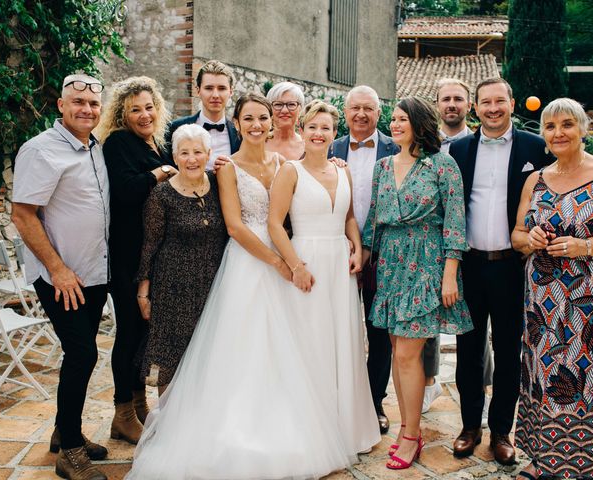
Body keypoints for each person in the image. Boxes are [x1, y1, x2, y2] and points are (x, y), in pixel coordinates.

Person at [126, 94, 352, 480]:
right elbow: (235, 227)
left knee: (283, 346)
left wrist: (334, 162)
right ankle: (231, 428)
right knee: (241, 347)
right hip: (249, 263)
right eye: (249, 118)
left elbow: (299, 196)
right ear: (237, 123)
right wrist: (278, 263)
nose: (258, 125)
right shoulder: (227, 168)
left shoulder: (284, 164)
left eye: (263, 118)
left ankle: (282, 421)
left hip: (284, 256)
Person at [511, 98, 593, 480]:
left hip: (589, 302)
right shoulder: (536, 179)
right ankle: (544, 457)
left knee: (589, 375)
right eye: (550, 127)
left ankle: (591, 459)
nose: (558, 133)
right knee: (542, 374)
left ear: (583, 128)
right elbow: (516, 235)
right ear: (543, 134)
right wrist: (532, 239)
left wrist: (584, 246)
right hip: (542, 302)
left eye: (567, 125)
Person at [362, 96, 472, 470]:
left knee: (409, 355)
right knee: (397, 351)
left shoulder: (443, 165)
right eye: (392, 119)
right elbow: (374, 219)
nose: (394, 125)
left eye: (401, 119)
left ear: (419, 123)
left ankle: (411, 434)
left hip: (426, 262)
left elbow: (455, 222)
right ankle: (408, 427)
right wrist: (361, 257)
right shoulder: (382, 166)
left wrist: (450, 273)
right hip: (390, 264)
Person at [449, 78, 553, 465]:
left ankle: (501, 431)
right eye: (485, 103)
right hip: (470, 264)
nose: (493, 109)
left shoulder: (534, 147)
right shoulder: (459, 149)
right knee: (468, 350)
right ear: (475, 108)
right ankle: (469, 427)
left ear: (512, 103)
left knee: (509, 351)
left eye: (500, 101)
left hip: (514, 266)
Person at [268, 99, 381, 456]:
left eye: (326, 128)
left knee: (342, 340)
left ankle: (345, 426)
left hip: (340, 265)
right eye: (313, 127)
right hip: (308, 262)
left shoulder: (341, 170)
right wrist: (296, 266)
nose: (319, 133)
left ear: (335, 134)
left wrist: (357, 249)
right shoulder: (290, 171)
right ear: (302, 130)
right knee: (311, 340)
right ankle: (310, 428)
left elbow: (348, 217)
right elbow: (274, 223)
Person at [12, 74, 110, 480]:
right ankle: (69, 452)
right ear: (60, 105)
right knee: (84, 352)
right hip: (62, 276)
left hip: (93, 270)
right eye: (78, 102)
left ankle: (62, 430)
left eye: (93, 103)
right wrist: (57, 270)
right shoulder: (40, 150)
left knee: (80, 354)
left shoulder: (93, 147)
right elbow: (22, 214)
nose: (86, 109)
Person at [97, 76, 177, 445]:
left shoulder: (157, 143)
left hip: (153, 253)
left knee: (144, 334)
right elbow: (126, 191)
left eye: (149, 107)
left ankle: (139, 402)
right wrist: (158, 175)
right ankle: (122, 412)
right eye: (134, 109)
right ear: (122, 113)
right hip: (128, 253)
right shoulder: (117, 143)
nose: (144, 115)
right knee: (129, 332)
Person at [135, 124, 228, 397]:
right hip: (173, 288)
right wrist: (144, 293)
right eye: (184, 153)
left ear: (208, 153)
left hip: (214, 284)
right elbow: (150, 245)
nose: (191, 159)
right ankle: (168, 423)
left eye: (198, 152)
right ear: (174, 157)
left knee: (209, 352)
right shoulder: (162, 195)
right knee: (171, 355)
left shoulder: (219, 185)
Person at [329, 85, 399, 434]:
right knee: (336, 329)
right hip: (334, 252)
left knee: (379, 331)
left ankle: (373, 403)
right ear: (345, 112)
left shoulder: (395, 149)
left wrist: (368, 246)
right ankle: (336, 402)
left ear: (378, 113)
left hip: (381, 255)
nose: (360, 114)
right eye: (354, 108)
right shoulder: (329, 147)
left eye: (368, 108)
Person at [431, 78, 495, 422]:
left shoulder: (472, 144)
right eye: (446, 99)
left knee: (476, 331)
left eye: (458, 99)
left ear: (468, 105)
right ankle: (429, 381)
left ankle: (482, 398)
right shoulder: (428, 142)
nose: (451, 104)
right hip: (429, 244)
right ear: (437, 104)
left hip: (469, 246)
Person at [166, 60, 240, 170]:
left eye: (222, 88)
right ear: (198, 90)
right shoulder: (174, 128)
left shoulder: (240, 134)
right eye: (209, 88)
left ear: (231, 92)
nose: (215, 95)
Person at [265, 81, 305, 160]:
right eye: (278, 104)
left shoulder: (308, 146)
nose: (284, 110)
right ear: (269, 109)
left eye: (291, 104)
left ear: (300, 109)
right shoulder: (258, 143)